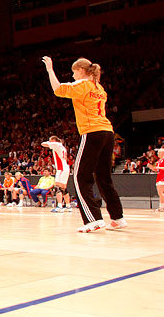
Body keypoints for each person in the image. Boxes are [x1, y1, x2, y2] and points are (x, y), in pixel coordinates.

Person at [43, 56, 125, 232]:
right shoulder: (99, 88)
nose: (72, 76)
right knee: (103, 177)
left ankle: (93, 219)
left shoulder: (82, 85)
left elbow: (58, 89)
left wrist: (50, 70)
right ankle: (117, 217)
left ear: (81, 70)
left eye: (73, 72)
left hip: (92, 132)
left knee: (80, 177)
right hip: (107, 132)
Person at [42, 136, 72, 212]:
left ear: (54, 140)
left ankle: (59, 206)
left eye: (50, 140)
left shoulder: (56, 144)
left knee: (57, 187)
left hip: (61, 169)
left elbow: (43, 144)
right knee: (64, 188)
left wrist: (49, 142)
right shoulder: (62, 147)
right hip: (66, 168)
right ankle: (68, 206)